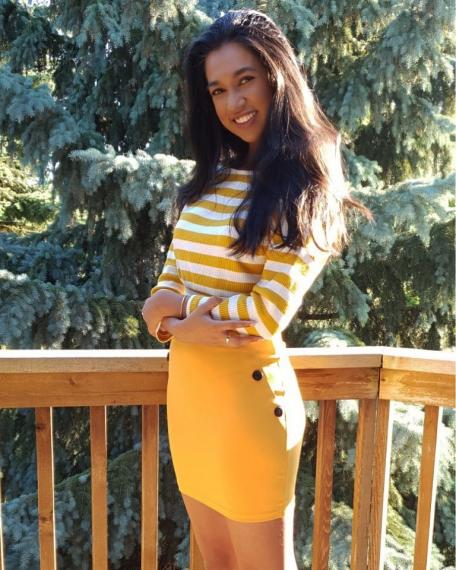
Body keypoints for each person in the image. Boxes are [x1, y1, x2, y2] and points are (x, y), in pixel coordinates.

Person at [142, 8, 373, 570]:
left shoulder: (306, 186)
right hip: (191, 402)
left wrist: (183, 315)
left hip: (249, 408)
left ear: (276, 77)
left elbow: (264, 313)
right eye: (218, 89)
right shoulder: (208, 182)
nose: (234, 102)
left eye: (245, 80)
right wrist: (173, 322)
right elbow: (160, 291)